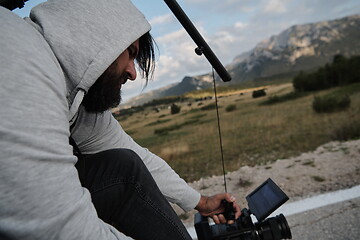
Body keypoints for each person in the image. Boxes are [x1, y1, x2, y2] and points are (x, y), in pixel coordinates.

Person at [0, 0, 241, 239]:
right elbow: (60, 228)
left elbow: (130, 153)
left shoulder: (77, 96)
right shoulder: (20, 61)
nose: (133, 73)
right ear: (98, 37)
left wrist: (201, 201)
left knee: (123, 164)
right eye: (131, 54)